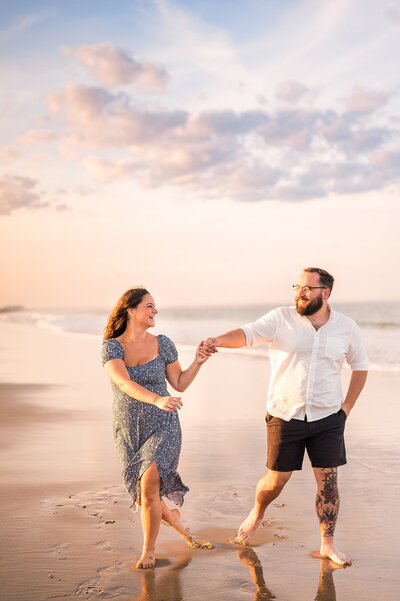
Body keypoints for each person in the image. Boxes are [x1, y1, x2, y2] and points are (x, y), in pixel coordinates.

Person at [204, 267, 368, 566]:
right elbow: (247, 334)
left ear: (325, 293)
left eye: (307, 288)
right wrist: (217, 340)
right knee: (276, 482)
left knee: (328, 483)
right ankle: (257, 512)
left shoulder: (347, 327)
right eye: (297, 287)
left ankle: (327, 545)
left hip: (328, 417)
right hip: (284, 414)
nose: (300, 293)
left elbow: (360, 367)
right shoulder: (281, 318)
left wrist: (345, 409)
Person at [102, 287, 211, 569]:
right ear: (131, 310)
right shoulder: (112, 346)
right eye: (149, 306)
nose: (155, 311)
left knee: (150, 483)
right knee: (142, 489)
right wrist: (156, 398)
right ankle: (171, 517)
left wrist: (197, 361)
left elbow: (180, 383)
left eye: (155, 306)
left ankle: (148, 551)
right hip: (129, 426)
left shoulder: (163, 343)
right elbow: (123, 383)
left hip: (164, 424)